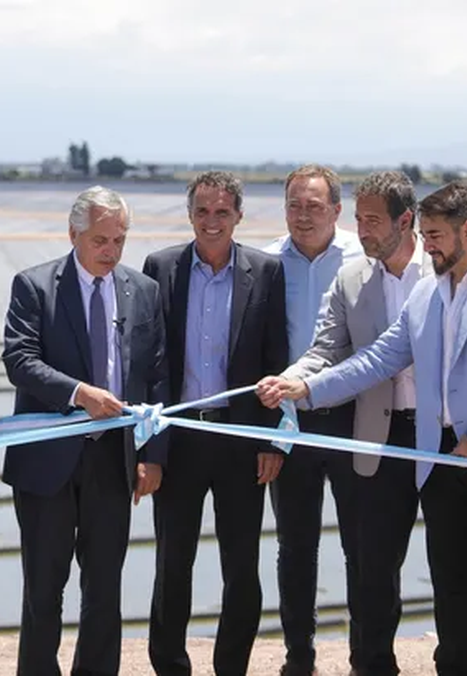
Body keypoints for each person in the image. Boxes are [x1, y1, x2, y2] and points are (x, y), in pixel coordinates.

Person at [260, 181, 467, 676]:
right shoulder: (429, 291)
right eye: (425, 233)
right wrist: (307, 390)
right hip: (438, 458)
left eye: (436, 234)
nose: (429, 244)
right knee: (453, 579)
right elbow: (378, 359)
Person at [1, 185, 169, 676]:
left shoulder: (143, 291)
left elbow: (157, 374)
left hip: (112, 462)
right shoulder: (35, 286)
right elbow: (19, 360)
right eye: (100, 240)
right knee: (43, 588)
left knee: (103, 588)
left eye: (119, 240)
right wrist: (80, 393)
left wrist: (152, 454)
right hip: (47, 462)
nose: (110, 251)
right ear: (73, 233)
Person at [277, 171, 430, 676]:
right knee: (372, 560)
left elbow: (380, 358)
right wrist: (291, 381)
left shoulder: (443, 270)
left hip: (442, 436)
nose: (363, 232)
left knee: (453, 561)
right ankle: (371, 663)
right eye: (360, 220)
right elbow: (326, 347)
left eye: (372, 220)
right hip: (374, 431)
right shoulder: (352, 278)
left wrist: (309, 385)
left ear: (405, 220)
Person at [142, 170, 289, 676]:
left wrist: (272, 437)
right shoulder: (160, 268)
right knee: (172, 562)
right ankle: (170, 665)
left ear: (239, 216)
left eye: (222, 212)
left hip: (239, 438)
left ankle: (232, 666)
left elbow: (277, 358)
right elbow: (151, 363)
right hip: (179, 438)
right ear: (189, 214)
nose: (211, 221)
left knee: (241, 566)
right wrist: (150, 450)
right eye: (202, 211)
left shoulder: (266, 271)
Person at [261, 164, 362, 676]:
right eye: (294, 205)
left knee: (361, 542)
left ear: (337, 212)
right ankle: (299, 656)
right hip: (290, 423)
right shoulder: (265, 262)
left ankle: (368, 655)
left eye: (314, 206)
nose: (303, 216)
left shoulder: (361, 260)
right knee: (295, 545)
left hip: (352, 418)